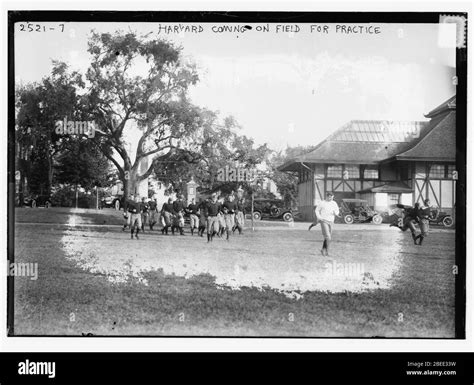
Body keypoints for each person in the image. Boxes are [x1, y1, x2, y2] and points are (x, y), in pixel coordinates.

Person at [314, 192, 340, 256]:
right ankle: (327, 252)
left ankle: (323, 249)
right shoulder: (322, 203)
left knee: (327, 237)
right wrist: (319, 217)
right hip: (323, 220)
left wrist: (336, 213)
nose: (330, 198)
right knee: (328, 237)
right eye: (329, 197)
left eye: (331, 197)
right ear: (326, 196)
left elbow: (337, 210)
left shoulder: (334, 203)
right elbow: (317, 210)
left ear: (333, 197)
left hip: (331, 221)